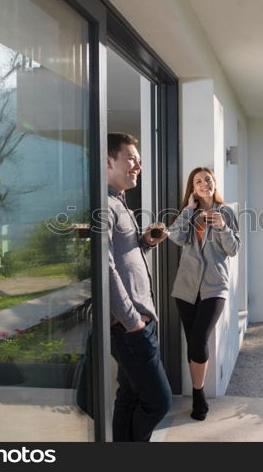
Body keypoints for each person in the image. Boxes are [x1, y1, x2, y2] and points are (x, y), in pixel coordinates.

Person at [107, 132, 171, 441]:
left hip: (138, 321)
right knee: (159, 402)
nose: (138, 166)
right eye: (131, 158)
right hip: (132, 326)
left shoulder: (120, 203)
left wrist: (146, 242)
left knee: (129, 397)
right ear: (109, 161)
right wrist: (132, 320)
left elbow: (123, 257)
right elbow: (104, 268)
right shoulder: (105, 205)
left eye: (139, 161)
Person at [168, 167, 240, 420]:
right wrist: (187, 211)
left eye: (207, 180)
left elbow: (233, 250)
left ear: (214, 182)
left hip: (214, 286)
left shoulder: (226, 213)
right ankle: (198, 393)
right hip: (186, 288)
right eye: (198, 181)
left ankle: (198, 391)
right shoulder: (189, 213)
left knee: (199, 339)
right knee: (193, 342)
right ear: (193, 187)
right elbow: (175, 237)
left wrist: (222, 227)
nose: (203, 184)